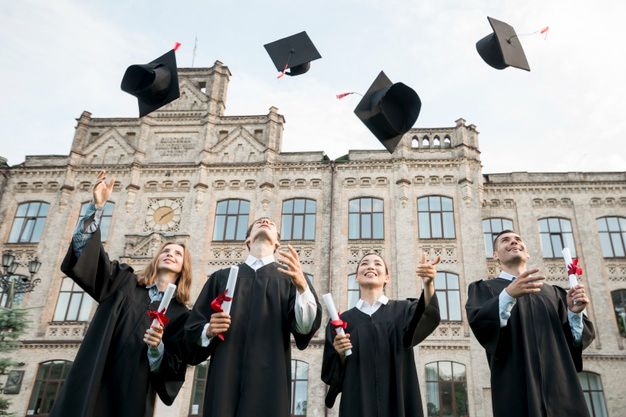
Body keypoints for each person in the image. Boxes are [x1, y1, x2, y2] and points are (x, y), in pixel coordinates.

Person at [50, 171, 193, 417]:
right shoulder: (122, 281)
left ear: (184, 268)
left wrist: (157, 347)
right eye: (166, 250)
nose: (170, 254)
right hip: (95, 375)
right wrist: (97, 207)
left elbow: (172, 369)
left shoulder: (180, 315)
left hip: (132, 391)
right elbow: (90, 259)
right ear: (156, 258)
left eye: (178, 254)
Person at [185, 217, 322, 417]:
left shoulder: (290, 279)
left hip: (270, 377)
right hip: (225, 373)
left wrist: (303, 288)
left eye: (271, 224)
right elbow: (192, 329)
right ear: (247, 240)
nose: (266, 221)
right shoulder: (221, 277)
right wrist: (208, 329)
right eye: (258, 222)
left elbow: (304, 328)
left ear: (277, 243)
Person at [466, 230, 595, 417]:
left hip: (560, 389)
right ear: (495, 255)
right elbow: (482, 325)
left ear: (527, 253)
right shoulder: (484, 289)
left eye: (518, 239)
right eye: (505, 241)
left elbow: (575, 343)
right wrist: (508, 295)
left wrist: (575, 314)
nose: (513, 242)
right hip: (517, 387)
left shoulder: (555, 294)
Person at [322, 251, 441, 417]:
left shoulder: (404, 310)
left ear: (387, 278)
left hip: (398, 401)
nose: (370, 266)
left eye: (377, 263)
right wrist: (340, 355)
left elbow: (427, 317)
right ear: (356, 277)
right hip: (358, 405)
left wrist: (428, 284)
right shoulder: (342, 322)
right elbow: (331, 376)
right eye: (364, 263)